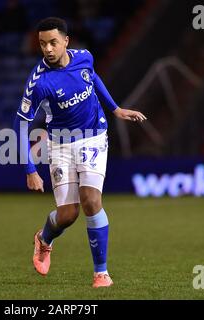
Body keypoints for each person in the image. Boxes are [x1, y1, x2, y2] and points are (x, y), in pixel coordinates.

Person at [13, 17, 146, 288]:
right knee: (68, 215)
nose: (47, 49)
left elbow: (92, 78)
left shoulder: (84, 57)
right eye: (42, 44)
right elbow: (20, 123)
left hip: (94, 136)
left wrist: (116, 109)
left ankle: (101, 273)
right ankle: (44, 239)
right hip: (60, 143)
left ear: (66, 41)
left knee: (91, 199)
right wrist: (29, 169)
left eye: (52, 42)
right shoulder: (38, 82)